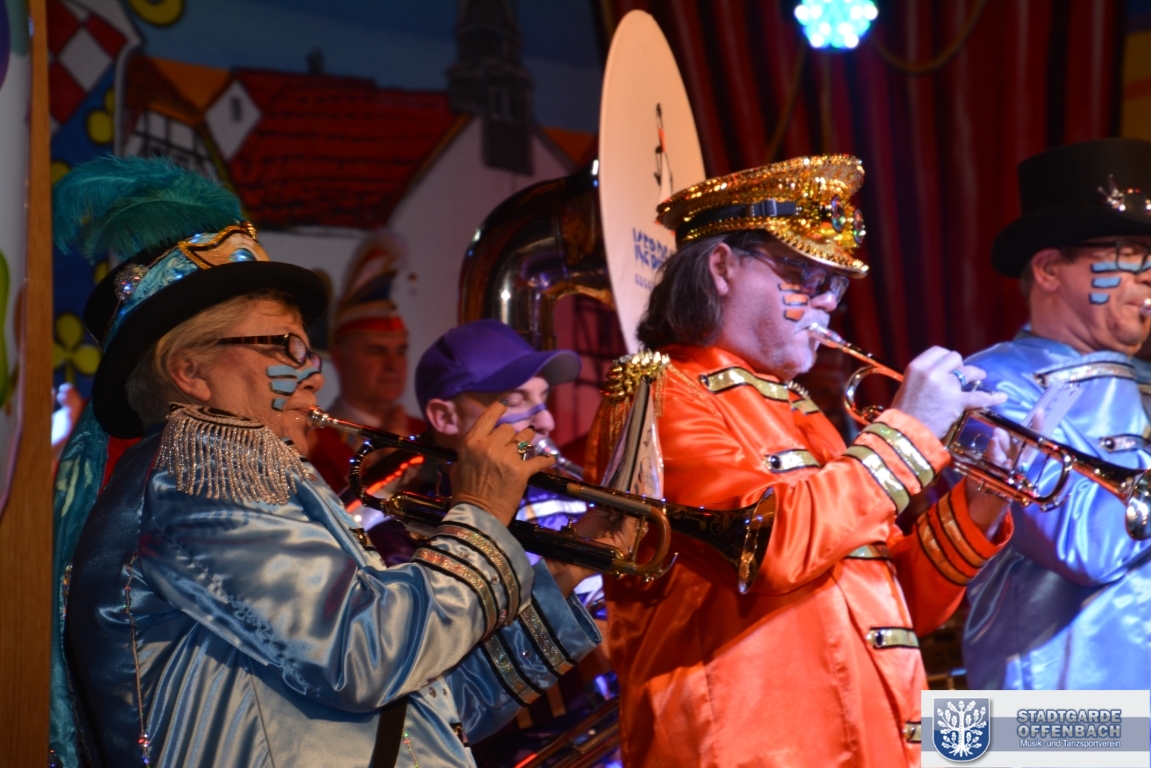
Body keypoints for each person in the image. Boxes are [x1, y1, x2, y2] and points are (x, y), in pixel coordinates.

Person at [50, 157, 626, 768]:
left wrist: (559, 577)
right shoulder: (201, 463)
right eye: (283, 345)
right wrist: (480, 514)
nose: (312, 373)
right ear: (190, 372)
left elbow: (427, 708)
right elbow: (365, 655)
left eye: (308, 348)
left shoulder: (221, 473)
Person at [584, 155, 1014, 767]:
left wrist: (983, 501)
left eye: (835, 284)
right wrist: (908, 432)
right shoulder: (661, 394)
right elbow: (766, 548)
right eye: (803, 275)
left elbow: (897, 607)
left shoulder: (803, 412)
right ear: (722, 267)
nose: (826, 302)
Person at [347, 319, 613, 767]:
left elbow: (613, 637)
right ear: (445, 418)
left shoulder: (561, 503)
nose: (546, 420)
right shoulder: (395, 537)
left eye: (543, 398)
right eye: (516, 401)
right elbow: (435, 684)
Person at [962, 138, 1151, 690]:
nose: (1148, 274)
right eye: (1128, 253)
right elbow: (1085, 546)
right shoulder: (989, 384)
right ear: (1049, 268)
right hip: (1050, 713)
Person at [309, 230, 424, 490]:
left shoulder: (426, 433)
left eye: (401, 351)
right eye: (376, 351)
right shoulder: (316, 443)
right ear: (340, 358)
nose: (393, 365)